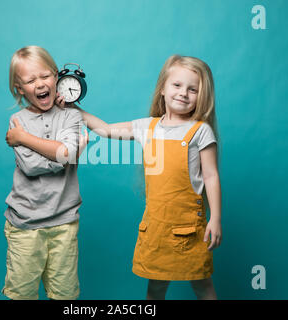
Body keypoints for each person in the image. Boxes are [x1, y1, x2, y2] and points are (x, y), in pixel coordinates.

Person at [59, 55, 222, 300]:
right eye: (177, 85)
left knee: (201, 284)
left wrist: (216, 218)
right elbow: (106, 129)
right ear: (163, 90)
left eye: (193, 89)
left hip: (188, 227)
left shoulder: (201, 131)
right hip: (157, 226)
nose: (183, 93)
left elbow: (211, 175)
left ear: (202, 96)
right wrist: (76, 109)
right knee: (155, 288)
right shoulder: (148, 127)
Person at [2, 45, 87, 300]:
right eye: (30, 80)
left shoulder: (70, 116)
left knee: (64, 294)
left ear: (56, 77)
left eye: (45, 76)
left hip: (64, 222)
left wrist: (25, 140)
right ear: (20, 88)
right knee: (22, 293)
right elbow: (31, 165)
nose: (40, 84)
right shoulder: (18, 122)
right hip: (25, 224)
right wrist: (64, 154)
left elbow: (64, 154)